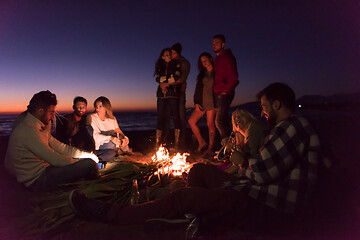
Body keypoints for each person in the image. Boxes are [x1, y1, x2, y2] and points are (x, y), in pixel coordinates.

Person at [68, 83, 325, 234]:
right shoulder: (285, 129)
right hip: (253, 189)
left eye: (265, 106)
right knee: (199, 170)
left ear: (278, 105)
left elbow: (262, 173)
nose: (262, 112)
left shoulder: (293, 126)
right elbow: (266, 167)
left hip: (265, 206)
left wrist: (242, 160)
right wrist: (240, 159)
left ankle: (113, 213)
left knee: (182, 196)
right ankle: (195, 219)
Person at [4, 91, 99, 192]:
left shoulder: (39, 127)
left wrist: (87, 154)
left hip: (46, 169)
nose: (53, 116)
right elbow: (55, 159)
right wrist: (80, 162)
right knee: (89, 165)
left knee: (86, 160)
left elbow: (62, 147)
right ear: (40, 111)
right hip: (37, 179)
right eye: (51, 112)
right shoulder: (28, 130)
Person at [216, 108, 267, 174]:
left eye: (240, 115)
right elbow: (222, 158)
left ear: (248, 117)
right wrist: (227, 145)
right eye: (234, 118)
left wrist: (221, 174)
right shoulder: (240, 136)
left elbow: (244, 162)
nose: (237, 118)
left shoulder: (253, 128)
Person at [188, 52, 216, 155]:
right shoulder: (201, 74)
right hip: (202, 102)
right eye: (202, 61)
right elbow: (197, 89)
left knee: (210, 124)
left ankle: (210, 147)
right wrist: (196, 102)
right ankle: (202, 142)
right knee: (191, 121)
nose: (203, 63)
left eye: (205, 60)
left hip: (212, 102)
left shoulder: (216, 72)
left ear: (210, 59)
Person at [87, 96, 130, 162]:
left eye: (100, 106)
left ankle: (123, 154)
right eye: (96, 106)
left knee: (123, 143)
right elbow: (94, 136)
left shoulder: (112, 118)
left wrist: (125, 137)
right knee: (113, 145)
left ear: (106, 107)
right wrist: (111, 138)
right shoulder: (92, 117)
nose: (97, 108)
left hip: (113, 144)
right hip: (99, 144)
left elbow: (118, 130)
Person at [212, 34, 239, 141]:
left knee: (218, 121)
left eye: (217, 43)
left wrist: (225, 90)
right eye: (213, 43)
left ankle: (227, 147)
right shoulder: (218, 58)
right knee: (222, 120)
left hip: (224, 93)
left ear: (223, 44)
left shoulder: (227, 57)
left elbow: (234, 76)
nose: (214, 45)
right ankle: (230, 145)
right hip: (218, 92)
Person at [154, 48, 181, 148]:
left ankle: (177, 143)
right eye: (166, 54)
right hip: (161, 94)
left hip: (172, 93)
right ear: (162, 57)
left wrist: (164, 83)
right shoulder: (160, 66)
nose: (169, 55)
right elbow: (157, 78)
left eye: (169, 54)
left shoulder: (176, 64)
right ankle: (158, 143)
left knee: (175, 117)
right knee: (160, 117)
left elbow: (176, 77)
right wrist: (163, 83)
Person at [171, 43, 190, 149]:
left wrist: (169, 83)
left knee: (181, 117)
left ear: (178, 53)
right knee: (174, 117)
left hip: (180, 91)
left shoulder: (184, 63)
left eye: (173, 53)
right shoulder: (171, 62)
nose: (172, 54)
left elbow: (182, 78)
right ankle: (177, 142)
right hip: (171, 93)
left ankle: (183, 142)